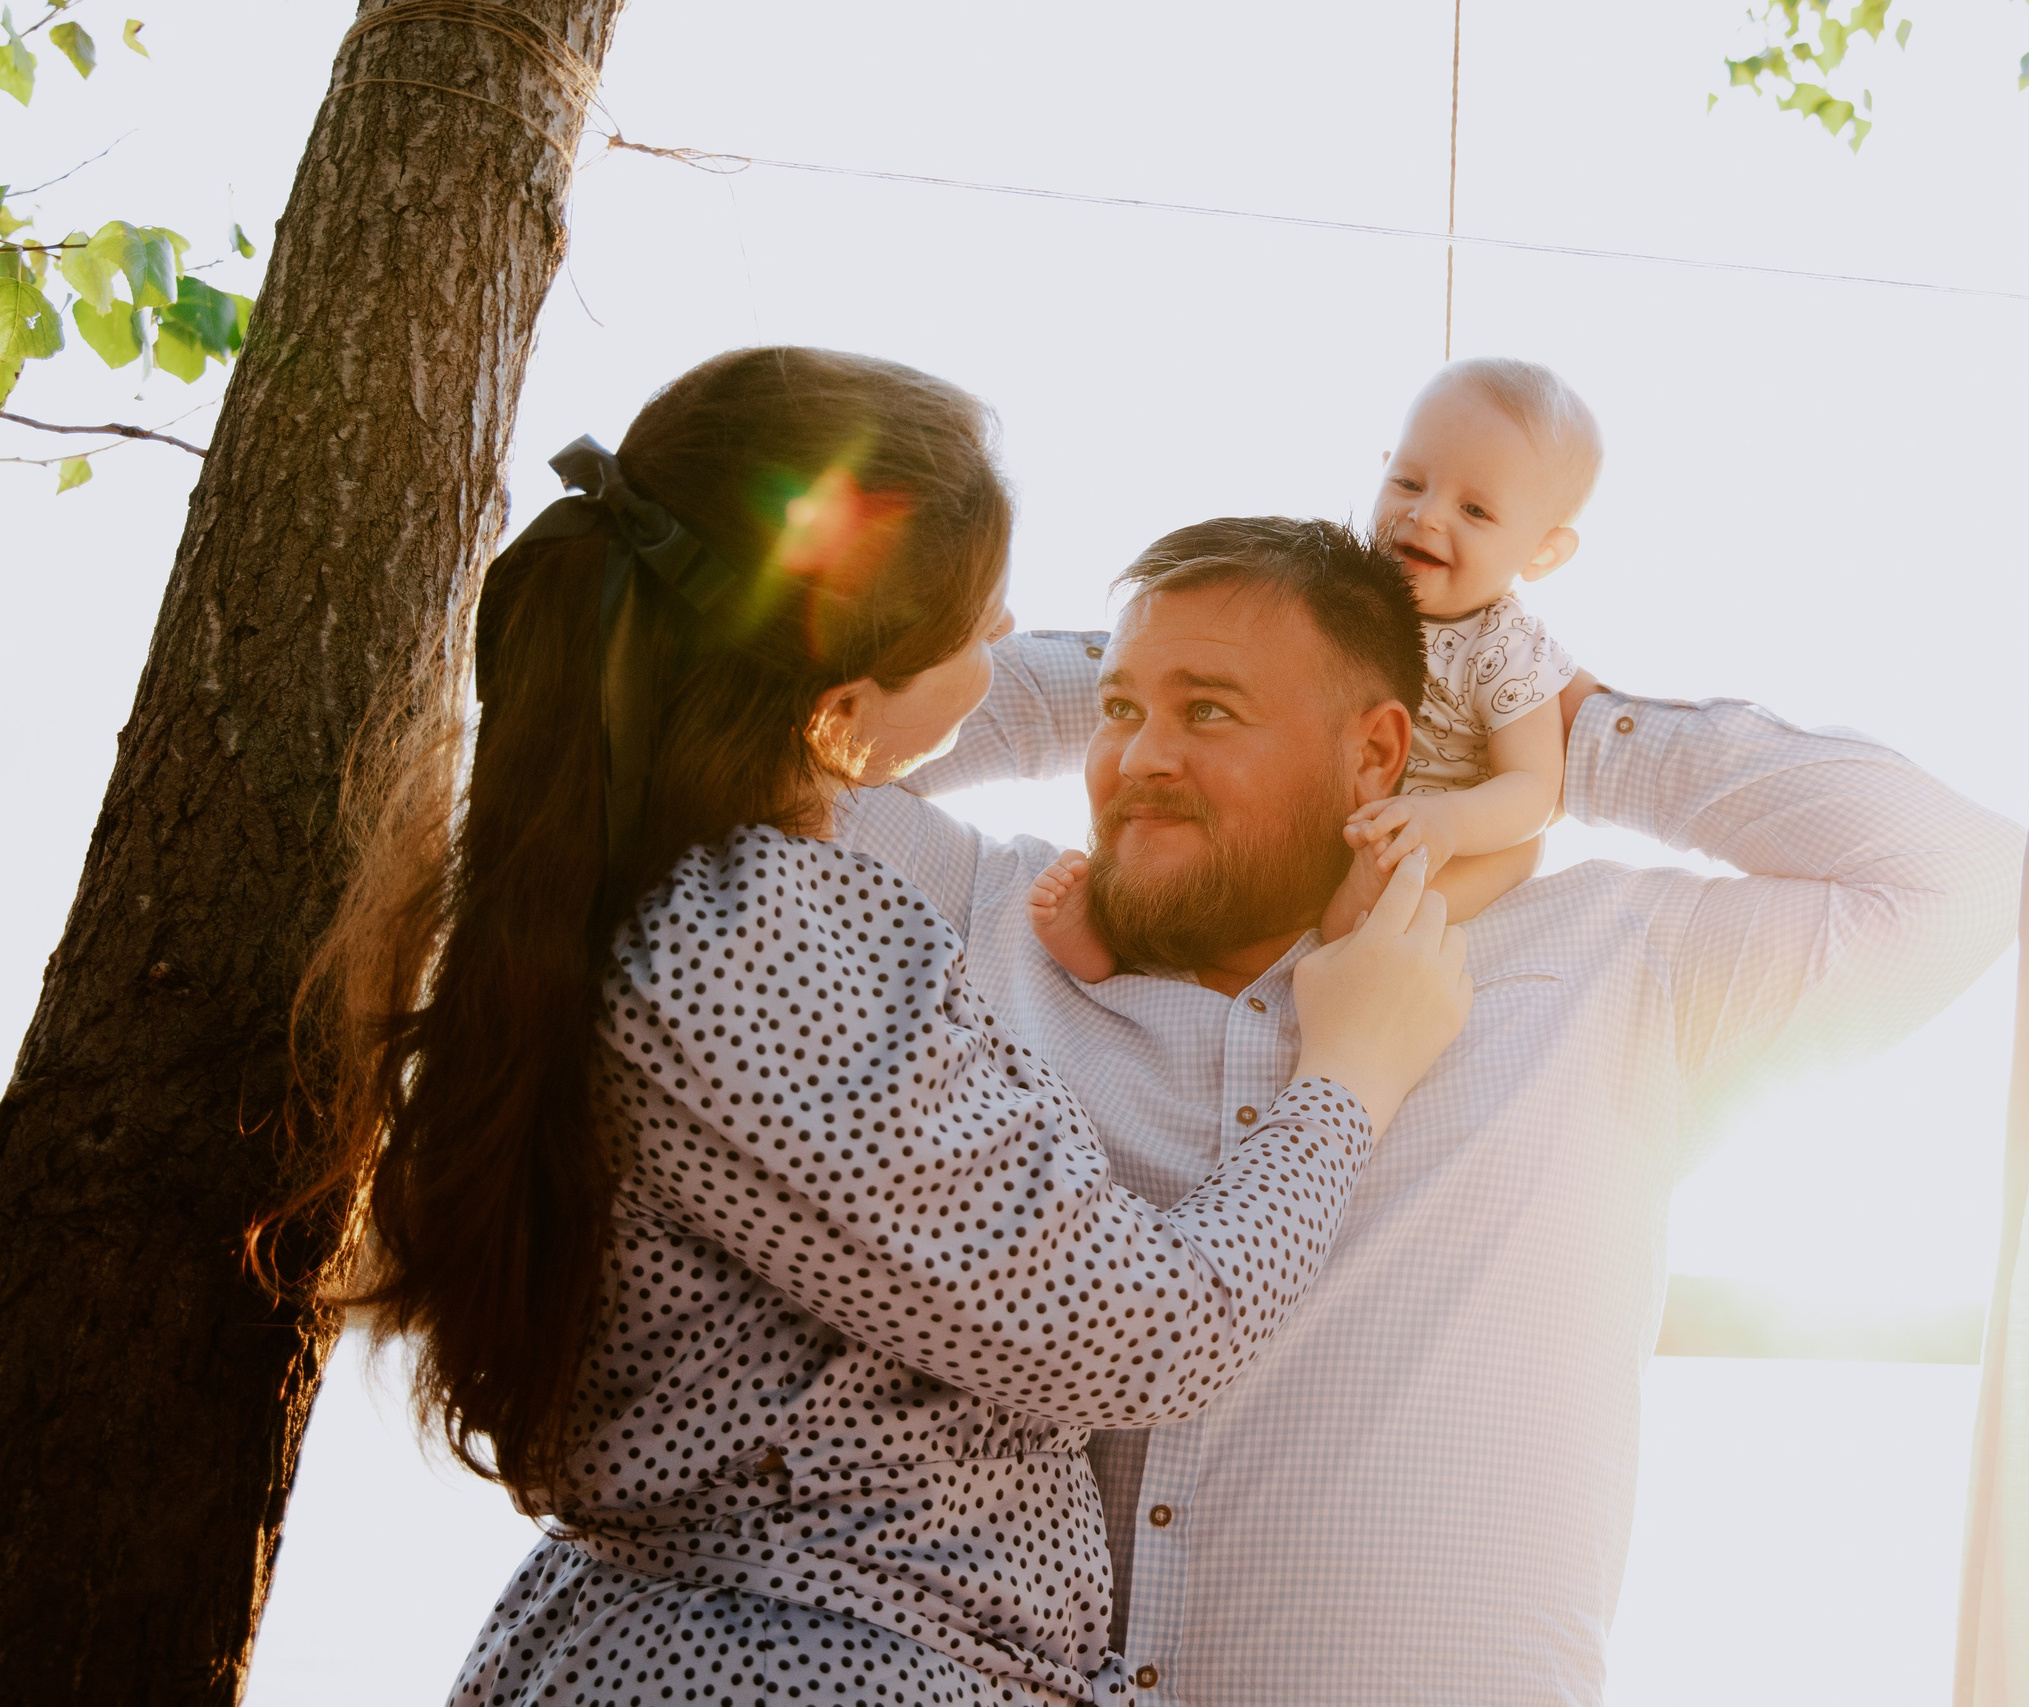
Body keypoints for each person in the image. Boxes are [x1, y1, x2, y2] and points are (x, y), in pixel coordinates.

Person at [273, 349, 1473, 1707]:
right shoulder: (761, 928)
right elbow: (1138, 1328)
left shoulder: (621, 883)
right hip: (821, 1669)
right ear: (838, 707)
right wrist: (1351, 1074)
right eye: (978, 624)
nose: (1021, 643)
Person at [857, 513, 2026, 1704]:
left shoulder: (1605, 966)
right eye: (1119, 713)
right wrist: (1125, 663)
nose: (1138, 758)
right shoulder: (981, 925)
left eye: (1210, 711)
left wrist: (1537, 714)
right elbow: (769, 778)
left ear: (1377, 755)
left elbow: (1961, 876)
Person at [1026, 358, 1597, 979]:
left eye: (1476, 511)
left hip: (1449, 825)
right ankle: (1102, 943)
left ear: (1544, 550)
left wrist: (1448, 822)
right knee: (1197, 851)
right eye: (1409, 483)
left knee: (1519, 848)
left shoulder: (1510, 646)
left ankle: (1373, 919)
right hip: (1343, 816)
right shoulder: (1339, 601)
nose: (1427, 515)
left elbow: (1535, 790)